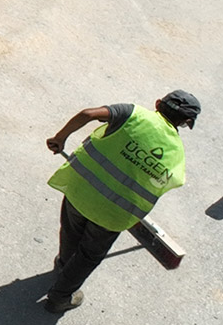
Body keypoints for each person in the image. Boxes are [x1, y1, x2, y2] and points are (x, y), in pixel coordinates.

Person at [42, 90, 197, 313]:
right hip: (114, 214)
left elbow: (87, 114)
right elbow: (171, 182)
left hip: (80, 190)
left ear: (157, 103)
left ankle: (65, 265)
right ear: (186, 123)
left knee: (71, 231)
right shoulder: (176, 153)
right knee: (88, 255)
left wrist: (60, 138)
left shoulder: (132, 114)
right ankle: (59, 297)